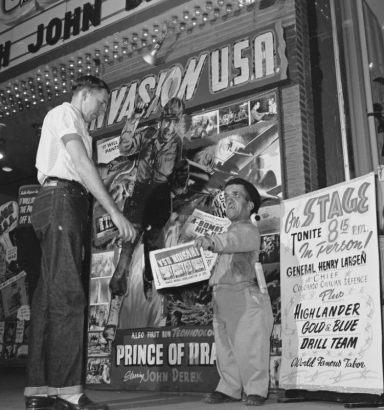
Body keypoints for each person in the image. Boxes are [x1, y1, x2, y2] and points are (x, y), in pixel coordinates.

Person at [25, 75, 137, 410]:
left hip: (55, 202)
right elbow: (81, 162)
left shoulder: (68, 120)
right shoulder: (66, 114)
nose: (101, 110)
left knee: (48, 299)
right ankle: (69, 391)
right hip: (62, 199)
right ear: (84, 94)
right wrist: (115, 212)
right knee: (70, 295)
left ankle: (40, 391)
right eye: (100, 102)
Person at [102, 98, 185, 341]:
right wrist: (133, 119)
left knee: (155, 263)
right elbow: (125, 148)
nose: (170, 127)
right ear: (161, 120)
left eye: (175, 122)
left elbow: (178, 181)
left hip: (159, 205)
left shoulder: (178, 144)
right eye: (167, 121)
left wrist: (177, 197)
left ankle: (162, 312)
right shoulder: (148, 134)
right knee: (125, 258)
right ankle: (112, 317)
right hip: (137, 203)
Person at [194, 178, 273, 407]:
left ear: (250, 206)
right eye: (226, 196)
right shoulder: (228, 231)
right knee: (225, 347)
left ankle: (255, 389)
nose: (229, 199)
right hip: (222, 296)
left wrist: (210, 241)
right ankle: (230, 387)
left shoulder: (248, 230)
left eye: (236, 195)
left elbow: (232, 240)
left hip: (244, 296)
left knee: (250, 345)